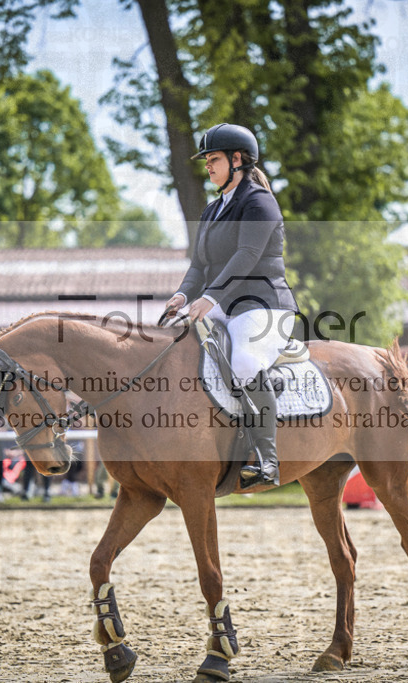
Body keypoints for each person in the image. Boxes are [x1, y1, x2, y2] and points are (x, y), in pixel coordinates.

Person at [163, 123, 298, 488]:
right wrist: (183, 295)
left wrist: (209, 297)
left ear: (237, 159)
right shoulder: (212, 210)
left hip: (264, 306)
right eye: (207, 160)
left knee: (244, 362)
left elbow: (247, 255)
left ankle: (268, 459)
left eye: (214, 159)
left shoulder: (259, 202)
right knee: (174, 347)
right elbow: (199, 265)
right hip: (223, 303)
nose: (207, 166)